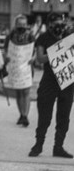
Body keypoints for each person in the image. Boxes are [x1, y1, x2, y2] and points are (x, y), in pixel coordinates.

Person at [29, 12, 74, 158]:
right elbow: (40, 59)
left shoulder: (69, 37)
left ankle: (58, 147)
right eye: (56, 23)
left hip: (67, 80)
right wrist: (57, 53)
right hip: (49, 81)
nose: (59, 25)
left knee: (64, 116)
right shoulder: (43, 38)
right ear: (49, 24)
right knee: (44, 115)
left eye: (61, 23)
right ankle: (38, 145)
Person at [4, 14, 35, 127]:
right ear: (16, 24)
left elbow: (34, 49)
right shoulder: (11, 35)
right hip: (15, 67)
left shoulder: (30, 36)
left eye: (24, 24)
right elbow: (6, 49)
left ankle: (25, 115)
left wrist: (33, 58)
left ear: (26, 25)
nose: (21, 26)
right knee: (18, 92)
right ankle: (21, 114)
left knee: (26, 92)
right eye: (19, 24)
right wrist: (7, 57)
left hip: (26, 67)